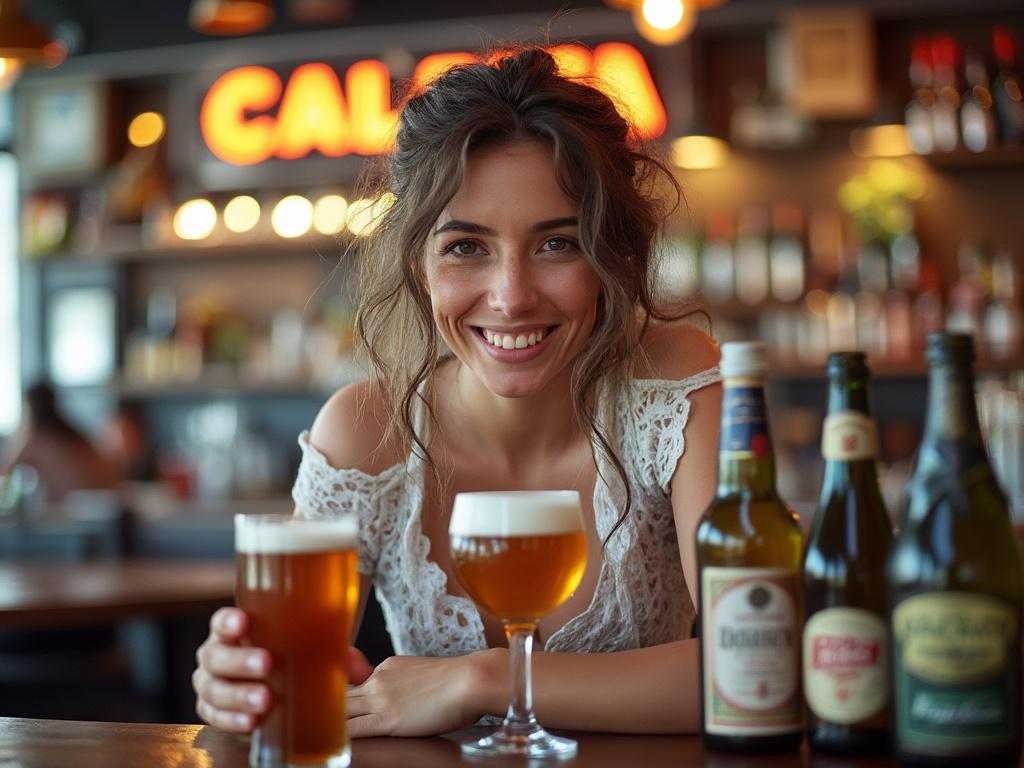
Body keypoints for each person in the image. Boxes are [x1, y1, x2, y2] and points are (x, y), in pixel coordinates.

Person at [193, 46, 722, 737]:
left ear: (609, 256)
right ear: (419, 265)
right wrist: (240, 684)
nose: (511, 296)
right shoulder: (364, 431)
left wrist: (482, 679)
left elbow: (759, 662)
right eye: (466, 247)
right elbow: (285, 684)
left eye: (558, 244)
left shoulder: (675, 383)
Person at [0, 381, 121, 501]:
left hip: (79, 506)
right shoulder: (70, 433)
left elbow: (4, 470)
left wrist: (17, 436)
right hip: (109, 501)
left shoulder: (35, 440)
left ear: (29, 409)